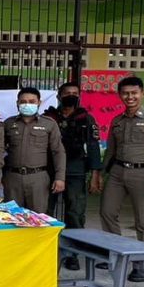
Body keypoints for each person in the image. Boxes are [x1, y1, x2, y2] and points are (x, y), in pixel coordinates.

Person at [92, 76, 144, 282]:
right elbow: (110, 151)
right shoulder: (117, 121)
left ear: (142, 93)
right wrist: (101, 173)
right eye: (125, 93)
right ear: (120, 95)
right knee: (107, 212)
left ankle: (141, 264)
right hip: (117, 172)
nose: (130, 97)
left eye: (134, 93)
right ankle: (114, 254)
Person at [44, 82, 104, 270]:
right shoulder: (48, 118)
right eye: (67, 93)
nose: (71, 96)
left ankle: (72, 254)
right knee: (45, 213)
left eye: (75, 93)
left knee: (75, 214)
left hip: (76, 171)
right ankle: (47, 251)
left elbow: (93, 147)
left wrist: (95, 174)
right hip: (49, 171)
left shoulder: (86, 119)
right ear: (59, 96)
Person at [2, 87, 66, 214]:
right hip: (12, 177)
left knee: (38, 217)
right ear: (17, 103)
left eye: (32, 101)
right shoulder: (8, 123)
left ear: (39, 103)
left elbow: (58, 152)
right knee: (11, 216)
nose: (27, 105)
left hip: (38, 178)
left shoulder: (49, 124)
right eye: (23, 102)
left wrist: (60, 178)